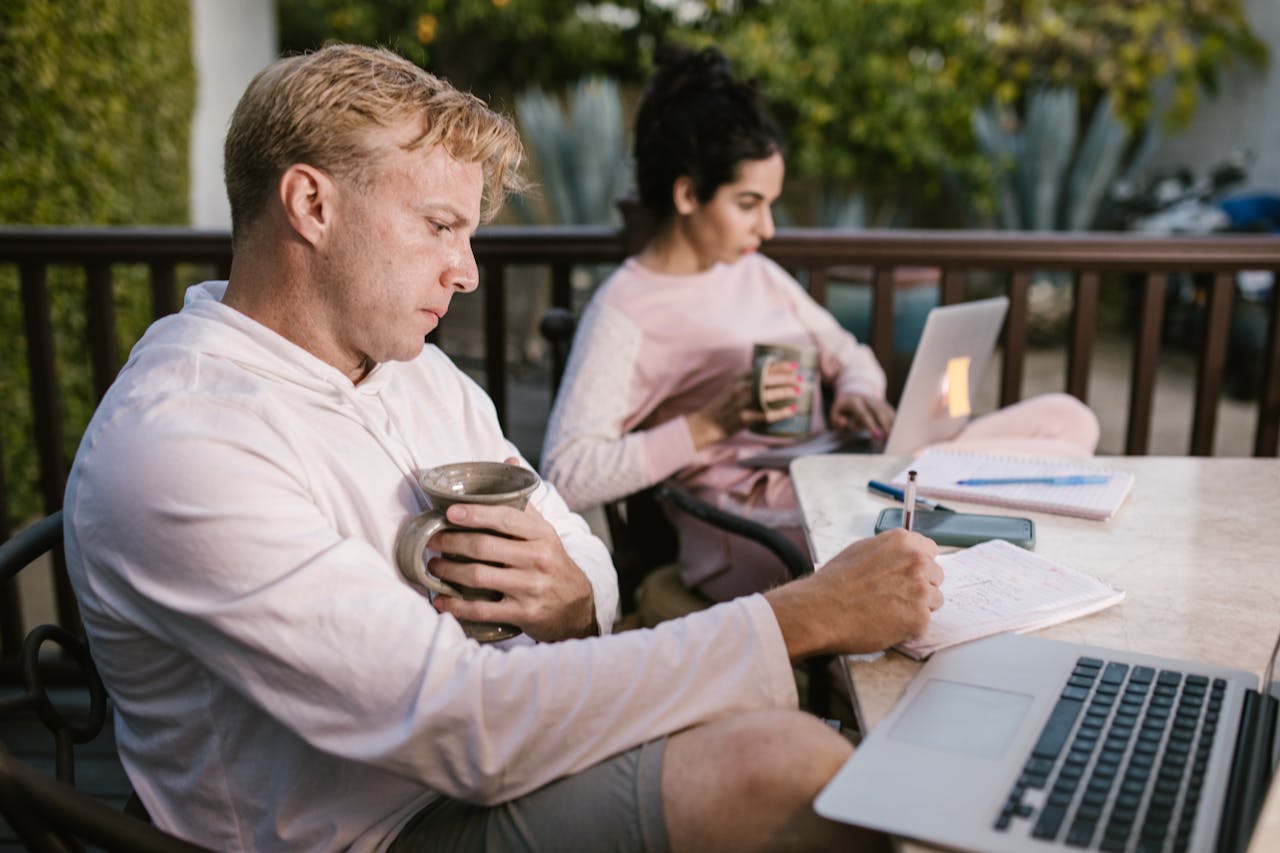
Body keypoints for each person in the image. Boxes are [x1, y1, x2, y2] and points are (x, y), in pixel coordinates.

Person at [62, 43, 945, 852]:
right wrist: (806, 614)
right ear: (311, 204)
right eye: (440, 225)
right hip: (377, 826)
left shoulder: (416, 374)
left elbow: (587, 561)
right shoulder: (182, 444)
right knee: (792, 770)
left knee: (824, 742)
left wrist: (568, 600)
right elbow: (462, 721)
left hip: (509, 739)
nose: (468, 269)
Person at [541, 45, 1099, 603]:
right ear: (688, 194)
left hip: (846, 470)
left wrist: (855, 392)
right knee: (1033, 489)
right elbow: (567, 473)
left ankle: (960, 509)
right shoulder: (626, 310)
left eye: (772, 204)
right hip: (758, 521)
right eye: (749, 203)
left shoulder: (753, 271)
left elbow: (845, 350)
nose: (769, 227)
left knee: (1068, 423)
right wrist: (708, 425)